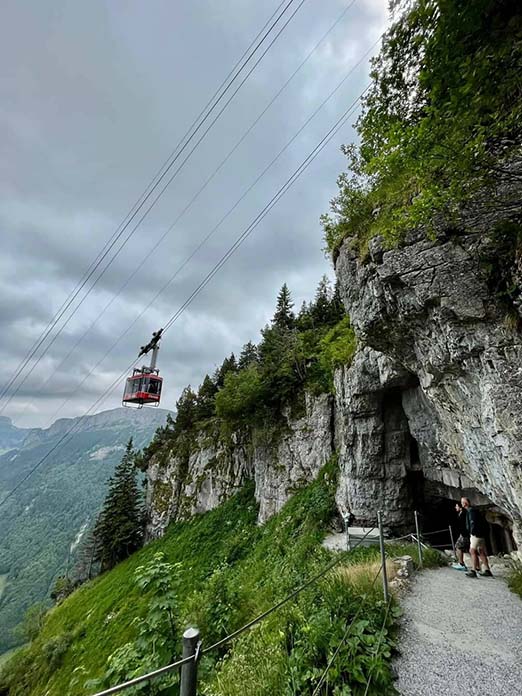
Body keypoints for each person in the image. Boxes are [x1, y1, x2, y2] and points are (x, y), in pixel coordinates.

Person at [460, 497, 493, 578]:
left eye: (462, 502)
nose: (461, 504)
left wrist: (472, 533)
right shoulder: (473, 510)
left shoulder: (471, 511)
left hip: (476, 535)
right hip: (481, 534)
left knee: (472, 551)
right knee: (481, 552)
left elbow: (472, 523)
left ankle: (473, 571)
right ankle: (487, 570)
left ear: (465, 503)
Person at [451, 502, 470, 571]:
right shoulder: (461, 514)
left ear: (460, 507)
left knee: (458, 546)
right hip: (463, 534)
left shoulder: (463, 514)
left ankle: (461, 564)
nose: (455, 507)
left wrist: (464, 533)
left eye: (456, 506)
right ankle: (461, 563)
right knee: (459, 547)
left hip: (465, 534)